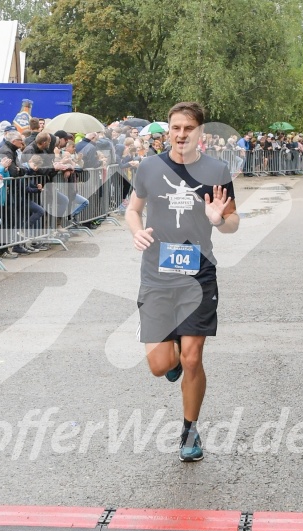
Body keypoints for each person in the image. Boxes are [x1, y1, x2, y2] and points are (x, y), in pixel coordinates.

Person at [125, 101, 239, 463]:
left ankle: (190, 429)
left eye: (188, 128)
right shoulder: (149, 166)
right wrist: (136, 231)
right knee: (161, 365)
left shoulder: (217, 169)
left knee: (192, 359)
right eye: (175, 128)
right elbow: (132, 208)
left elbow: (234, 222)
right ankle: (170, 356)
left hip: (198, 274)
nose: (181, 134)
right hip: (156, 273)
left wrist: (219, 219)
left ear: (200, 132)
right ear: (168, 130)